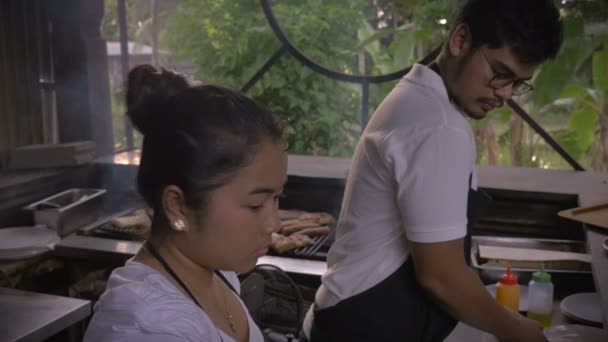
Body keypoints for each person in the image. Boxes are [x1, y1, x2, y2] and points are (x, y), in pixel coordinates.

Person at [302, 1, 563, 341]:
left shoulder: (418, 98)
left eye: (518, 83)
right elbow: (441, 277)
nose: (505, 94)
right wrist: (517, 330)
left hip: (343, 316)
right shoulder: (438, 126)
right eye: (501, 73)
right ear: (460, 39)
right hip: (365, 325)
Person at [84, 65, 287, 342]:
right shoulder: (141, 327)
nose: (274, 223)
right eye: (255, 205)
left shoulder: (217, 273)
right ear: (178, 206)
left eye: (276, 199)